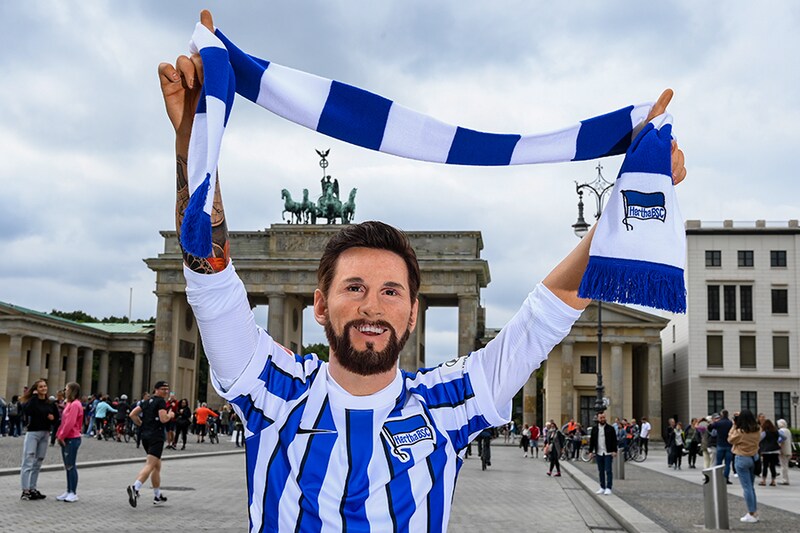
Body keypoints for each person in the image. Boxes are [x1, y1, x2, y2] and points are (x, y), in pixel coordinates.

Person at [158, 10, 685, 530]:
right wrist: (193, 143)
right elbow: (209, 272)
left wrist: (630, 196)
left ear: (413, 313)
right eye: (355, 287)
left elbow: (545, 314)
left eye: (391, 291)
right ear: (320, 304)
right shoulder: (273, 389)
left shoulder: (447, 402)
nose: (372, 305)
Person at [127, 381, 175, 507]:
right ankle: (135, 487)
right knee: (150, 465)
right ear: (156, 390)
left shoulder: (145, 401)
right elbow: (164, 419)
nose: (166, 391)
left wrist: (141, 424)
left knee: (156, 466)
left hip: (145, 436)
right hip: (156, 436)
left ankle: (157, 495)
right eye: (163, 389)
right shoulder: (161, 402)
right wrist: (170, 414)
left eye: (167, 389)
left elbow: (132, 414)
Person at [20, 378, 59, 501]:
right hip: (33, 433)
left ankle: (33, 488)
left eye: (45, 386)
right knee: (28, 460)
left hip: (45, 433)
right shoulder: (33, 401)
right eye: (40, 387)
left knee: (38, 461)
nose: (43, 388)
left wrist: (52, 418)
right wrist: (34, 397)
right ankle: (25, 491)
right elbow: (27, 410)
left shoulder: (50, 403)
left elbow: (57, 418)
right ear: (36, 390)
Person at [727, 409, 760, 523]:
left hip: (742, 458)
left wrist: (734, 425)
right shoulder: (757, 429)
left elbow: (730, 439)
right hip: (753, 458)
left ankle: (751, 513)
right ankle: (754, 512)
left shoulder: (740, 431)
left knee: (746, 488)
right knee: (751, 487)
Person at [55, 382, 84, 502]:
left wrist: (61, 435)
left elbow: (70, 422)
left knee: (71, 465)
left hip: (72, 437)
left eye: (66, 389)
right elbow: (64, 422)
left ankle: (73, 492)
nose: (64, 390)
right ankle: (68, 490)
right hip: (68, 437)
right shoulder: (70, 404)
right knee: (68, 466)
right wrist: (59, 434)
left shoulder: (75, 405)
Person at [588, 411, 618, 495]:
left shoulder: (610, 428)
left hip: (608, 453)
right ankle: (602, 487)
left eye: (604, 417)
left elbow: (614, 440)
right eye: (601, 418)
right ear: (598, 418)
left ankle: (609, 487)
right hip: (599, 452)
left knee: (608, 470)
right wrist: (590, 451)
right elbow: (592, 441)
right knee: (600, 470)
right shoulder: (594, 429)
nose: (602, 419)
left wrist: (614, 451)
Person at [709, 410, 734, 484]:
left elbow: (710, 427)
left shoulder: (718, 423)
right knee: (727, 463)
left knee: (719, 462)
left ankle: (718, 477)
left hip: (720, 444)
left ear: (722, 415)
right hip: (729, 444)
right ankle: (726, 478)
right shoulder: (730, 423)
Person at [758, 418, 781, 487]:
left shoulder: (765, 432)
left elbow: (759, 439)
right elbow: (782, 437)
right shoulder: (776, 432)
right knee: (772, 466)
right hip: (775, 450)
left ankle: (764, 480)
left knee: (765, 465)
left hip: (766, 451)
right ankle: (773, 481)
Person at [776, 419, 792, 485]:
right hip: (788, 449)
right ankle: (786, 479)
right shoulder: (788, 430)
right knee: (786, 465)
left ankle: (785, 480)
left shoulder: (781, 431)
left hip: (783, 450)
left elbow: (780, 440)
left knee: (783, 465)